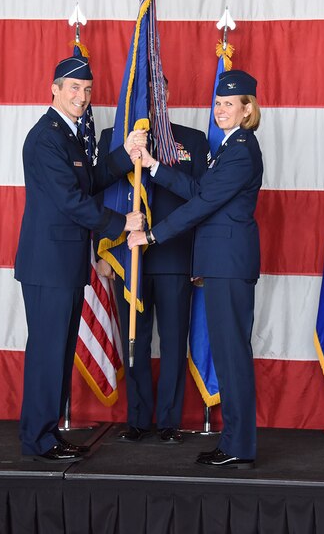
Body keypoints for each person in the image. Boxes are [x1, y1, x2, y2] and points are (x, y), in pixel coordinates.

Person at [127, 70, 263, 469]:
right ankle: (236, 441)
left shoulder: (241, 149)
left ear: (247, 109)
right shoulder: (228, 147)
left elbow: (202, 205)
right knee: (227, 353)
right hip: (222, 264)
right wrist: (153, 165)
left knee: (232, 355)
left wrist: (152, 237)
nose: (220, 110)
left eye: (229, 104)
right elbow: (201, 192)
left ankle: (239, 444)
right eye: (217, 103)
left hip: (230, 264)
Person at [15, 55, 145, 463]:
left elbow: (88, 179)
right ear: (54, 89)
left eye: (87, 90)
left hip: (64, 264)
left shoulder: (69, 136)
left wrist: (124, 154)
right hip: (48, 265)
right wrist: (121, 222)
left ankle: (47, 433)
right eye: (74, 88)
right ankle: (38, 438)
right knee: (47, 354)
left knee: (58, 353)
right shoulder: (45, 137)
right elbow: (71, 200)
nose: (83, 96)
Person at [95, 77, 209, 445]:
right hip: (130, 257)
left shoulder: (191, 140)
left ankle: (170, 421)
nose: (153, 99)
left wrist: (199, 260)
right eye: (146, 93)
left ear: (167, 95)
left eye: (159, 91)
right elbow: (101, 195)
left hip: (175, 256)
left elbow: (202, 202)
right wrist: (103, 251)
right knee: (135, 340)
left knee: (174, 342)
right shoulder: (114, 139)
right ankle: (138, 419)